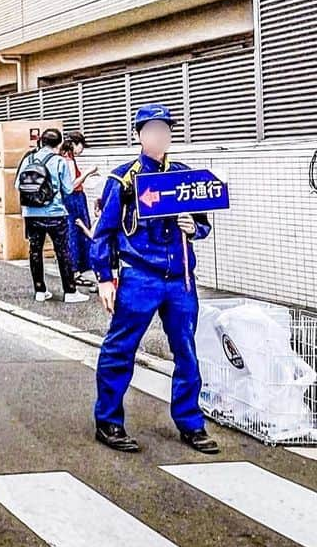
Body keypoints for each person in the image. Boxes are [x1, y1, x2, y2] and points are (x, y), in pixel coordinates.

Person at [90, 104, 219, 454]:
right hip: (139, 278)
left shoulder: (185, 177)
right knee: (120, 349)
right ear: (138, 135)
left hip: (180, 280)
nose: (159, 136)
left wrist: (196, 228)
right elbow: (104, 233)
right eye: (152, 130)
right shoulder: (123, 180)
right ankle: (109, 420)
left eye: (165, 130)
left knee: (187, 352)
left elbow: (203, 222)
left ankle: (191, 423)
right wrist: (104, 277)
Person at [17, 128, 89, 304]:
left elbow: (18, 184)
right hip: (55, 213)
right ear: (59, 144)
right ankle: (70, 291)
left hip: (31, 213)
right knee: (63, 250)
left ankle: (40, 291)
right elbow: (68, 189)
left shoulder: (29, 158)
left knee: (35, 250)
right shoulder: (59, 161)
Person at [59, 132, 98, 287]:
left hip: (71, 199)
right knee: (76, 233)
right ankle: (75, 271)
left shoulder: (64, 158)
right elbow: (72, 185)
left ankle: (75, 271)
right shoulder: (67, 160)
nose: (82, 150)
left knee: (74, 232)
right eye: (81, 146)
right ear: (75, 144)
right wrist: (88, 172)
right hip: (73, 199)